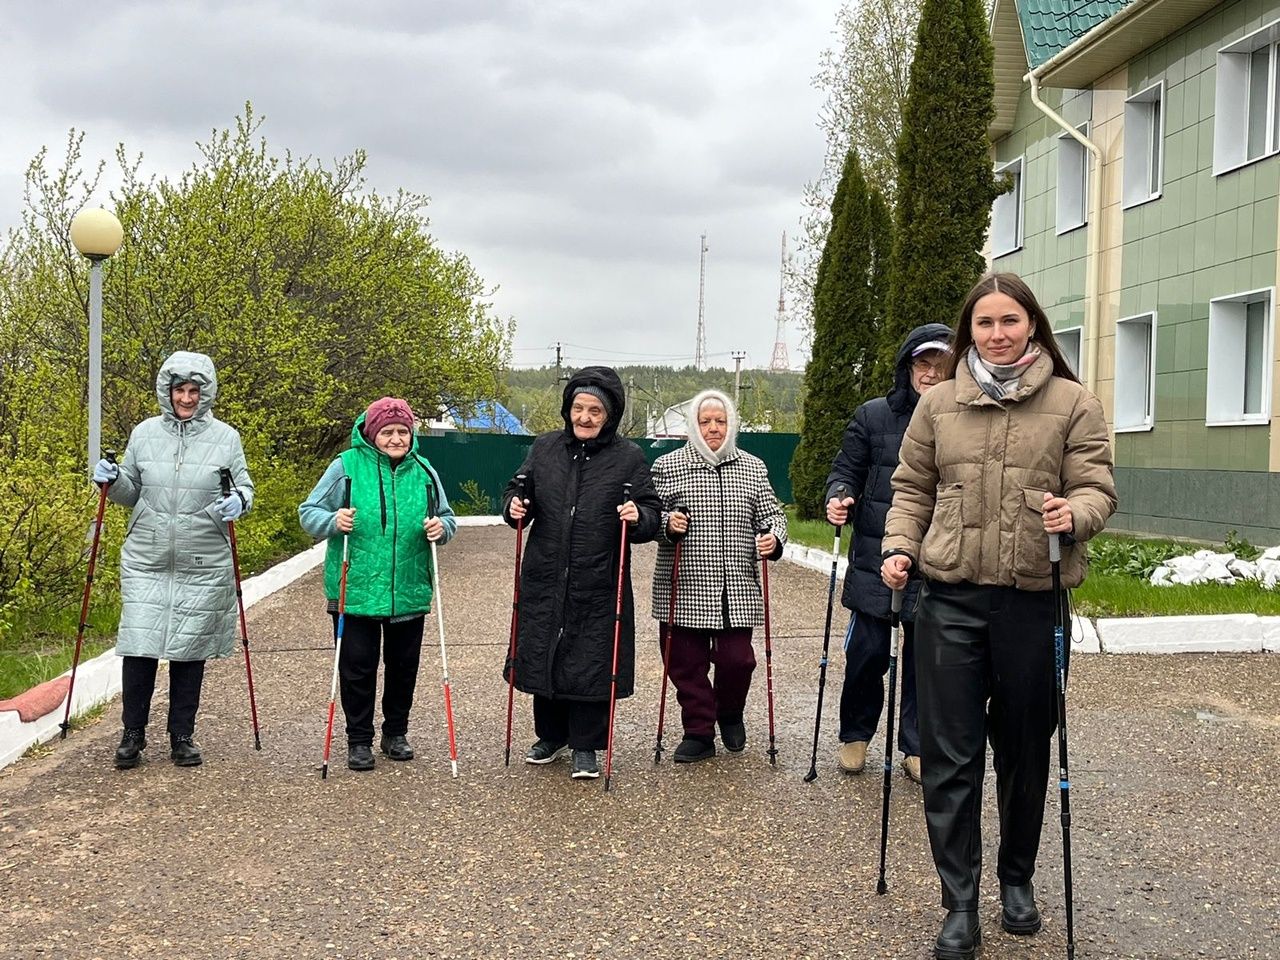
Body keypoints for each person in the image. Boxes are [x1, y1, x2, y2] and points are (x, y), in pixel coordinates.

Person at [880, 273, 1116, 960]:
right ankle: (959, 903)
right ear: (969, 333)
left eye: (1009, 320)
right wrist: (898, 548)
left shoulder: (1073, 403)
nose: (997, 333)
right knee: (950, 757)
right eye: (984, 323)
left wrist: (1077, 516)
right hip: (949, 598)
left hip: (1032, 599)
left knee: (1023, 751)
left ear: (1033, 326)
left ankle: (1017, 878)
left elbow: (1097, 487)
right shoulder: (939, 405)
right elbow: (911, 489)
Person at [92, 351, 254, 769]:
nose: (187, 398)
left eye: (194, 390)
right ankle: (133, 734)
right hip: (148, 555)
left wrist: (239, 500)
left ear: (206, 393)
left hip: (203, 556)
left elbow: (244, 488)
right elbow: (131, 491)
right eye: (179, 390)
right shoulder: (144, 433)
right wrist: (112, 481)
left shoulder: (226, 438)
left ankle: (182, 735)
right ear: (167, 392)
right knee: (140, 646)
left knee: (188, 650)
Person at [502, 367, 661, 780]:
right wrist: (515, 505)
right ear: (567, 409)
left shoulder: (628, 457)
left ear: (609, 415)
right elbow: (519, 490)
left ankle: (587, 744)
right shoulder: (545, 448)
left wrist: (638, 515)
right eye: (578, 408)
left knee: (592, 657)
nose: (585, 417)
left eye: (595, 410)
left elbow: (651, 512)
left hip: (599, 576)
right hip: (547, 570)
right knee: (546, 651)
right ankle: (550, 735)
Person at [299, 397, 456, 771]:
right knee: (357, 667)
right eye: (387, 431)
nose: (396, 438)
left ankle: (396, 733)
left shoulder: (424, 470)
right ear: (372, 433)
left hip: (409, 588)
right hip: (354, 588)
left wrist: (441, 529)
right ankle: (358, 739)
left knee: (404, 666)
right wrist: (333, 521)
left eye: (403, 431)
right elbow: (309, 512)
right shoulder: (346, 467)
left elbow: (448, 518)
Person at [825, 323, 953, 783]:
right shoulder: (872, 416)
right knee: (867, 653)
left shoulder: (962, 419)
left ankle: (916, 746)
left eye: (941, 365)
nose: (932, 374)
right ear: (907, 367)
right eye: (923, 364)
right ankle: (855, 733)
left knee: (925, 661)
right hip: (875, 558)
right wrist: (839, 496)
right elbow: (846, 470)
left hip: (938, 560)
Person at [649, 389, 787, 762]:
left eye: (720, 421)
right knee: (685, 662)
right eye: (705, 421)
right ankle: (698, 730)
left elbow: (773, 515)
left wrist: (773, 537)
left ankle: (729, 712)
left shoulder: (752, 466)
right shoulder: (667, 466)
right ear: (693, 426)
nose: (713, 428)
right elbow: (651, 518)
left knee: (738, 660)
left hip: (735, 584)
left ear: (731, 425)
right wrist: (668, 524)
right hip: (684, 583)